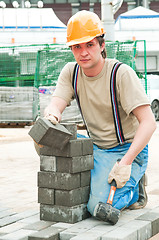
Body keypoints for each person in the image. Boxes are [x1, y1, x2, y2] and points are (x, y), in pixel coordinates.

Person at [44, 10, 156, 221]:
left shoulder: (120, 74)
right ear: (71, 49)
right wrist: (51, 116)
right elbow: (56, 105)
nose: (83, 52)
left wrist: (125, 163)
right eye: (77, 46)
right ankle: (99, 179)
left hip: (126, 149)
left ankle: (135, 189)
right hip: (95, 146)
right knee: (47, 140)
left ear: (102, 45)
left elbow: (149, 123)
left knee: (97, 207)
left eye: (90, 44)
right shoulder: (71, 72)